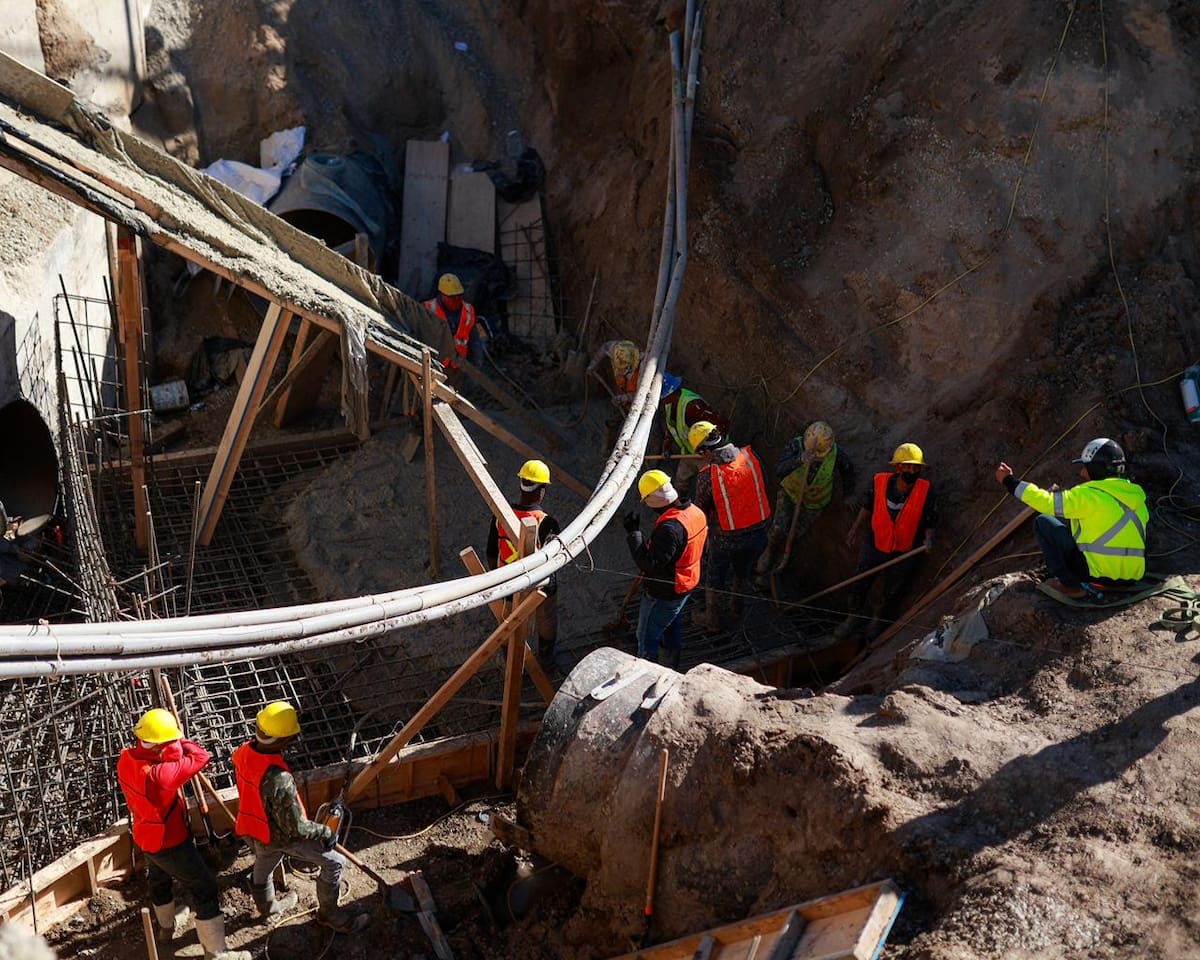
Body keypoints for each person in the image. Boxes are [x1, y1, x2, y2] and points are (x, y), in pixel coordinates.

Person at [116, 709, 250, 960]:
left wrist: (169, 740)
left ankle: (166, 928)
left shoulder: (126, 759)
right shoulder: (161, 776)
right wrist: (180, 740)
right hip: (171, 842)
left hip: (145, 836)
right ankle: (217, 954)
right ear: (162, 745)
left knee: (159, 880)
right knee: (205, 886)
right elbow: (201, 756)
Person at [231, 702, 369, 935]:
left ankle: (268, 910)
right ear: (284, 740)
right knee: (335, 863)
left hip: (252, 825)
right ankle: (329, 915)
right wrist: (325, 832)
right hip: (279, 836)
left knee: (264, 863)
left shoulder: (243, 751)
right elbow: (297, 828)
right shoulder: (279, 779)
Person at [996, 437, 1148, 598]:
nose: (1082, 472)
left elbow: (1046, 502)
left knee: (1043, 522)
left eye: (1085, 467)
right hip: (1131, 578)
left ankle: (1069, 584)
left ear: (1096, 469)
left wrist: (1009, 481)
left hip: (1095, 575)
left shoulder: (1088, 496)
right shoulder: (1137, 498)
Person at [838, 442, 937, 641]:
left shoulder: (926, 491)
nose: (912, 471)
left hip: (904, 551)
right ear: (898, 467)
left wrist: (928, 539)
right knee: (860, 583)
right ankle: (853, 618)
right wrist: (855, 529)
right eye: (907, 467)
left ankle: (876, 623)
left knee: (891, 592)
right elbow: (867, 506)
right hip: (876, 544)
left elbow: (930, 520)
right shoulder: (880, 483)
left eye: (915, 468)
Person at [624, 469, 708, 668]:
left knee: (646, 637)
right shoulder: (695, 512)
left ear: (653, 501)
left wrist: (634, 534)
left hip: (665, 591)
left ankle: (647, 674)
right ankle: (671, 667)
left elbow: (649, 564)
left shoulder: (670, 529)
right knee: (670, 625)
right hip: (686, 582)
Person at [690, 422, 771, 630]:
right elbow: (762, 485)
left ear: (706, 451)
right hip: (760, 532)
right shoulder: (751, 457)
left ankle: (713, 620)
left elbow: (700, 511)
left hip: (728, 537)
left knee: (715, 575)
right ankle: (737, 609)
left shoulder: (708, 475)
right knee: (743, 571)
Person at [756, 421, 855, 582]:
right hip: (790, 493)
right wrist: (799, 460)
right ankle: (769, 550)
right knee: (778, 528)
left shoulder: (837, 455)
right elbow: (780, 469)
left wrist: (849, 495)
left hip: (815, 502)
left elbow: (848, 472)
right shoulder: (796, 446)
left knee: (796, 533)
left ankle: (782, 558)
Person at [487, 459, 561, 663]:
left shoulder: (501, 516)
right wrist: (550, 587)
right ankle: (546, 660)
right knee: (547, 619)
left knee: (508, 622)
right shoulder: (547, 522)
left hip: (508, 582)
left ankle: (510, 659)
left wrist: (497, 580)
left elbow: (491, 552)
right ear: (542, 490)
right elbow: (552, 560)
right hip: (539, 586)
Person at [659, 372, 730, 492]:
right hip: (689, 452)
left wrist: (712, 452)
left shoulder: (693, 406)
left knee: (712, 485)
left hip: (708, 453)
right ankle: (682, 501)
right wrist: (666, 447)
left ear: (669, 394)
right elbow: (672, 428)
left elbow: (716, 428)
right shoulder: (669, 404)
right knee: (681, 480)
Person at [423, 273, 484, 371]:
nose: (456, 299)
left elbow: (475, 339)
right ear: (442, 295)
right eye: (452, 297)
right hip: (436, 365)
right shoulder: (428, 309)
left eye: (459, 296)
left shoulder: (468, 310)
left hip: (458, 366)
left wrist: (478, 360)